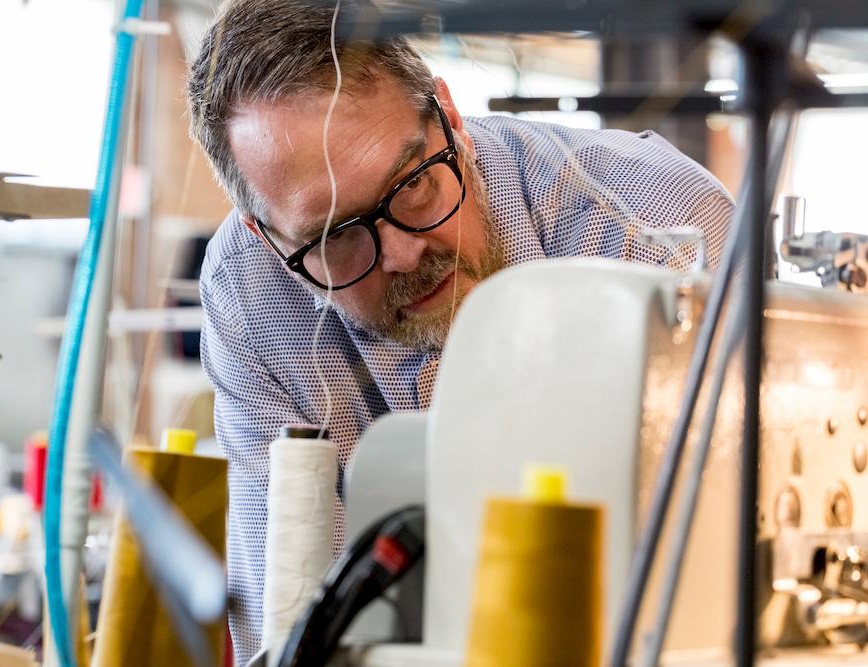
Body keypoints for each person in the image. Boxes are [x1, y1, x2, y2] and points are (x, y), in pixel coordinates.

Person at [186, 0, 734, 660]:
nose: (403, 255)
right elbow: (293, 627)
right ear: (267, 239)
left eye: (413, 184)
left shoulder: (653, 230)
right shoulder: (248, 292)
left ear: (449, 117)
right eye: (335, 238)